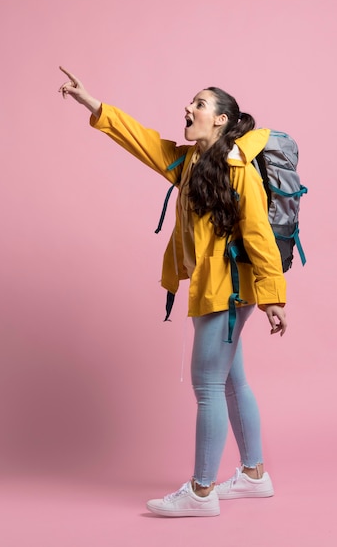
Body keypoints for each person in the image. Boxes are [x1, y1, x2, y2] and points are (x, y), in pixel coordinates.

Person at [58, 66, 288, 517]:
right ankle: (255, 475)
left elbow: (258, 231)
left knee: (207, 386)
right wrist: (93, 104)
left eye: (200, 103)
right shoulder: (188, 163)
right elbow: (140, 140)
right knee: (232, 382)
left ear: (220, 119)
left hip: (228, 290)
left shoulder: (239, 166)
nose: (189, 107)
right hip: (216, 288)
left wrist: (274, 297)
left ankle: (202, 492)